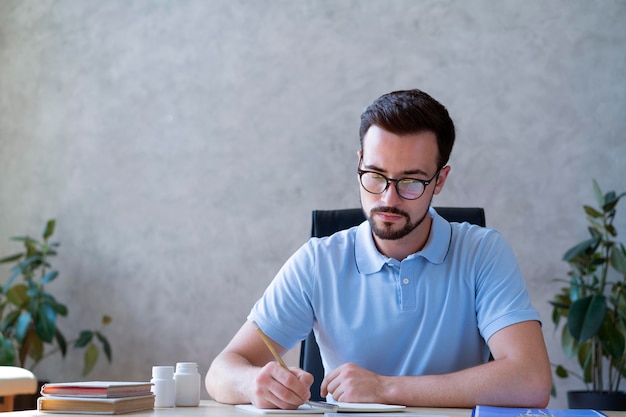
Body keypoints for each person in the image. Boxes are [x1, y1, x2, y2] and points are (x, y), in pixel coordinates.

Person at [206, 89, 552, 409]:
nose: (388, 198)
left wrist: (385, 389)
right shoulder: (318, 261)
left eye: (411, 182)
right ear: (359, 162)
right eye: (374, 175)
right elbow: (221, 372)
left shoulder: (482, 252)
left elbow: (531, 380)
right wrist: (256, 383)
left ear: (440, 180)